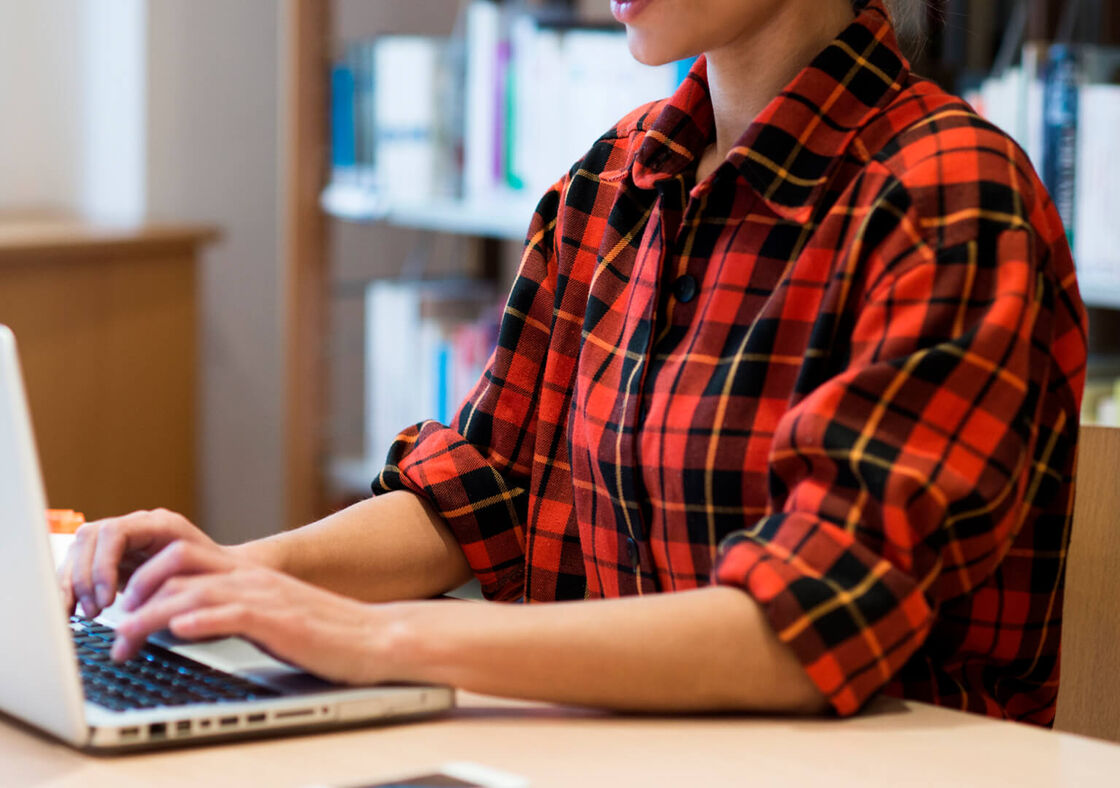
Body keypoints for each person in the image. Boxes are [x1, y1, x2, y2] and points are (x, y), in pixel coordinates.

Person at [62, 0, 1085, 723]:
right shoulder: (614, 178)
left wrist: (368, 640)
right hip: (613, 746)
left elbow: (804, 628)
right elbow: (483, 487)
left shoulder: (946, 191)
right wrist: (236, 573)